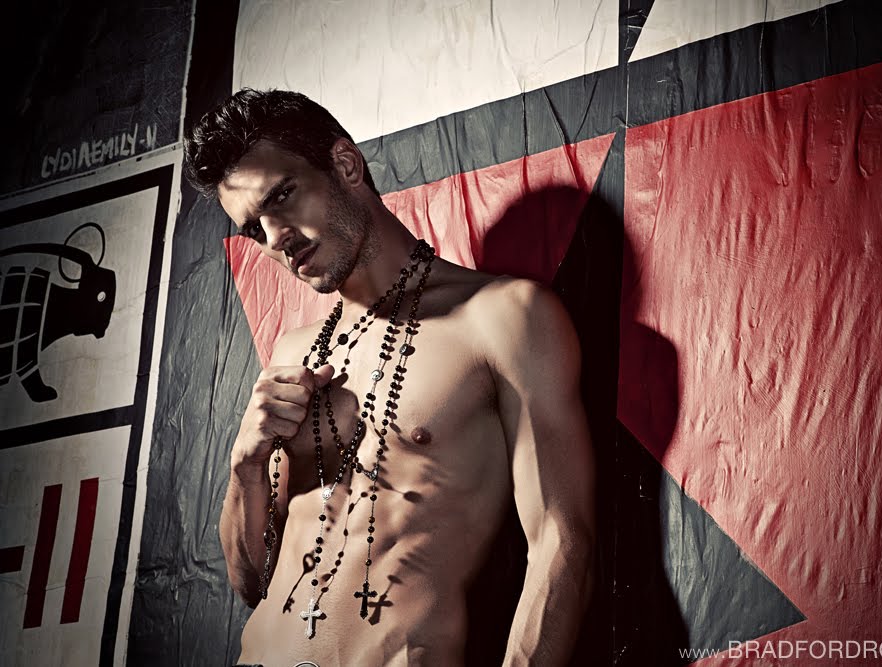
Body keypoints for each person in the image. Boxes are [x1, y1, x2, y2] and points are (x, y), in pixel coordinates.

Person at [184, 89, 595, 667]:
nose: (275, 238)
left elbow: (562, 541)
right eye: (255, 228)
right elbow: (252, 583)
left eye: (281, 196)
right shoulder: (295, 353)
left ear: (346, 165)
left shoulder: (501, 318)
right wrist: (246, 466)